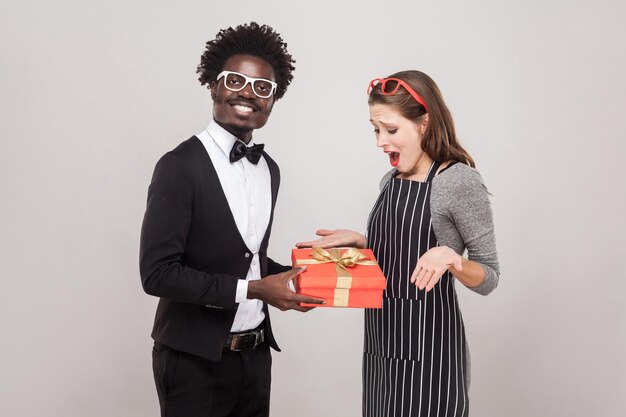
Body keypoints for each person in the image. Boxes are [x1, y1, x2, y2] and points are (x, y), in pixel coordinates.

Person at [140, 22, 324, 417]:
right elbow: (157, 274)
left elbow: (247, 260)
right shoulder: (178, 167)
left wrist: (308, 275)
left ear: (273, 101)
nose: (247, 93)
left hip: (255, 359)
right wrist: (256, 290)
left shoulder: (269, 170)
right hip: (193, 362)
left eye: (263, 88)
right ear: (213, 85)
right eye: (236, 80)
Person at [297, 71, 500, 416]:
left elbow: (490, 277)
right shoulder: (389, 180)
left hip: (431, 355)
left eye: (391, 130)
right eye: (376, 130)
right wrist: (364, 243)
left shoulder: (458, 182)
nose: (380, 141)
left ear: (424, 123)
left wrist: (453, 258)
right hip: (380, 346)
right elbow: (399, 254)